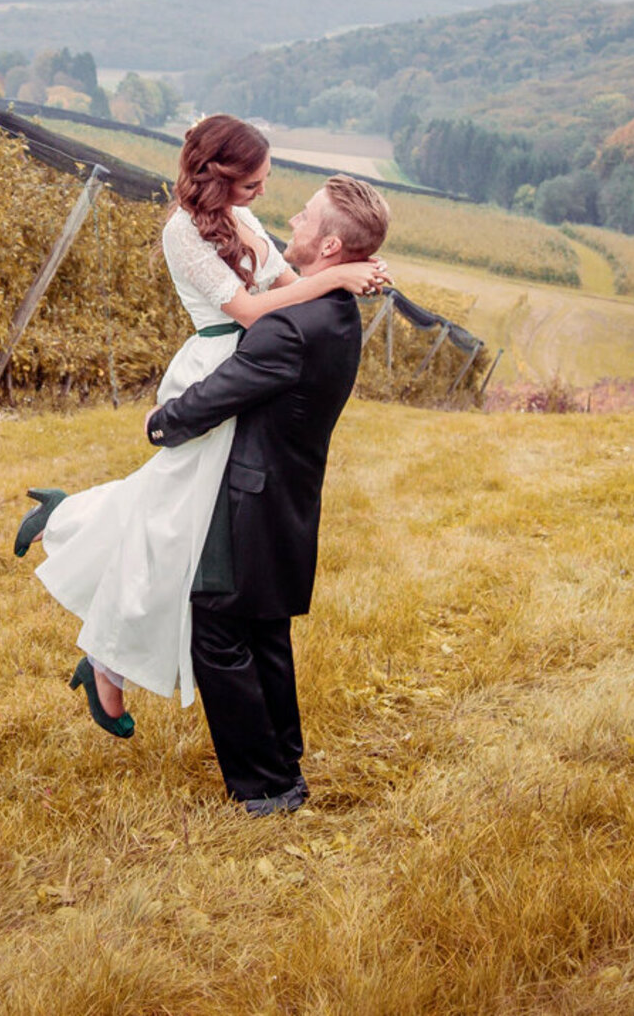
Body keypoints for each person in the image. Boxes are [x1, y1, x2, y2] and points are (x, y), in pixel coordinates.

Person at [19, 117, 386, 742]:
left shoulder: (243, 223)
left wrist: (340, 277)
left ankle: (100, 639)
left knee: (176, 521)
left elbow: (288, 287)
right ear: (221, 175)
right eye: (255, 182)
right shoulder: (181, 232)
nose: (264, 195)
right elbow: (244, 309)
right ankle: (73, 543)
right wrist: (331, 278)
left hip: (251, 367)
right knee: (174, 524)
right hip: (215, 367)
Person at [142, 174, 390, 814]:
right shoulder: (334, 314)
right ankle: (285, 765)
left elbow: (221, 394)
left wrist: (161, 422)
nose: (294, 222)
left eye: (306, 217)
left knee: (218, 631)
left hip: (247, 499)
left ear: (331, 246)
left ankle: (264, 787)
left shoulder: (291, 327)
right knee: (265, 630)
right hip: (289, 495)